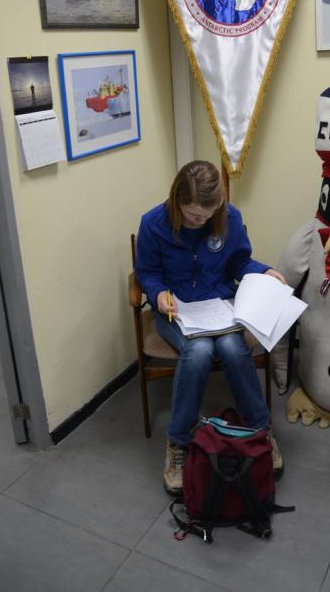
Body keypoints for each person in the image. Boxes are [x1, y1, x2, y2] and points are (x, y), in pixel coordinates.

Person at [135, 160, 287, 494]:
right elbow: (146, 272)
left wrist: (263, 271)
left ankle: (261, 430)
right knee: (200, 350)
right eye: (192, 215)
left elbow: (240, 262)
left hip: (219, 304)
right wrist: (158, 293)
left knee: (234, 348)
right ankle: (178, 442)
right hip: (176, 310)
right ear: (177, 201)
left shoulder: (229, 218)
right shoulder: (153, 224)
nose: (199, 221)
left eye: (206, 215)